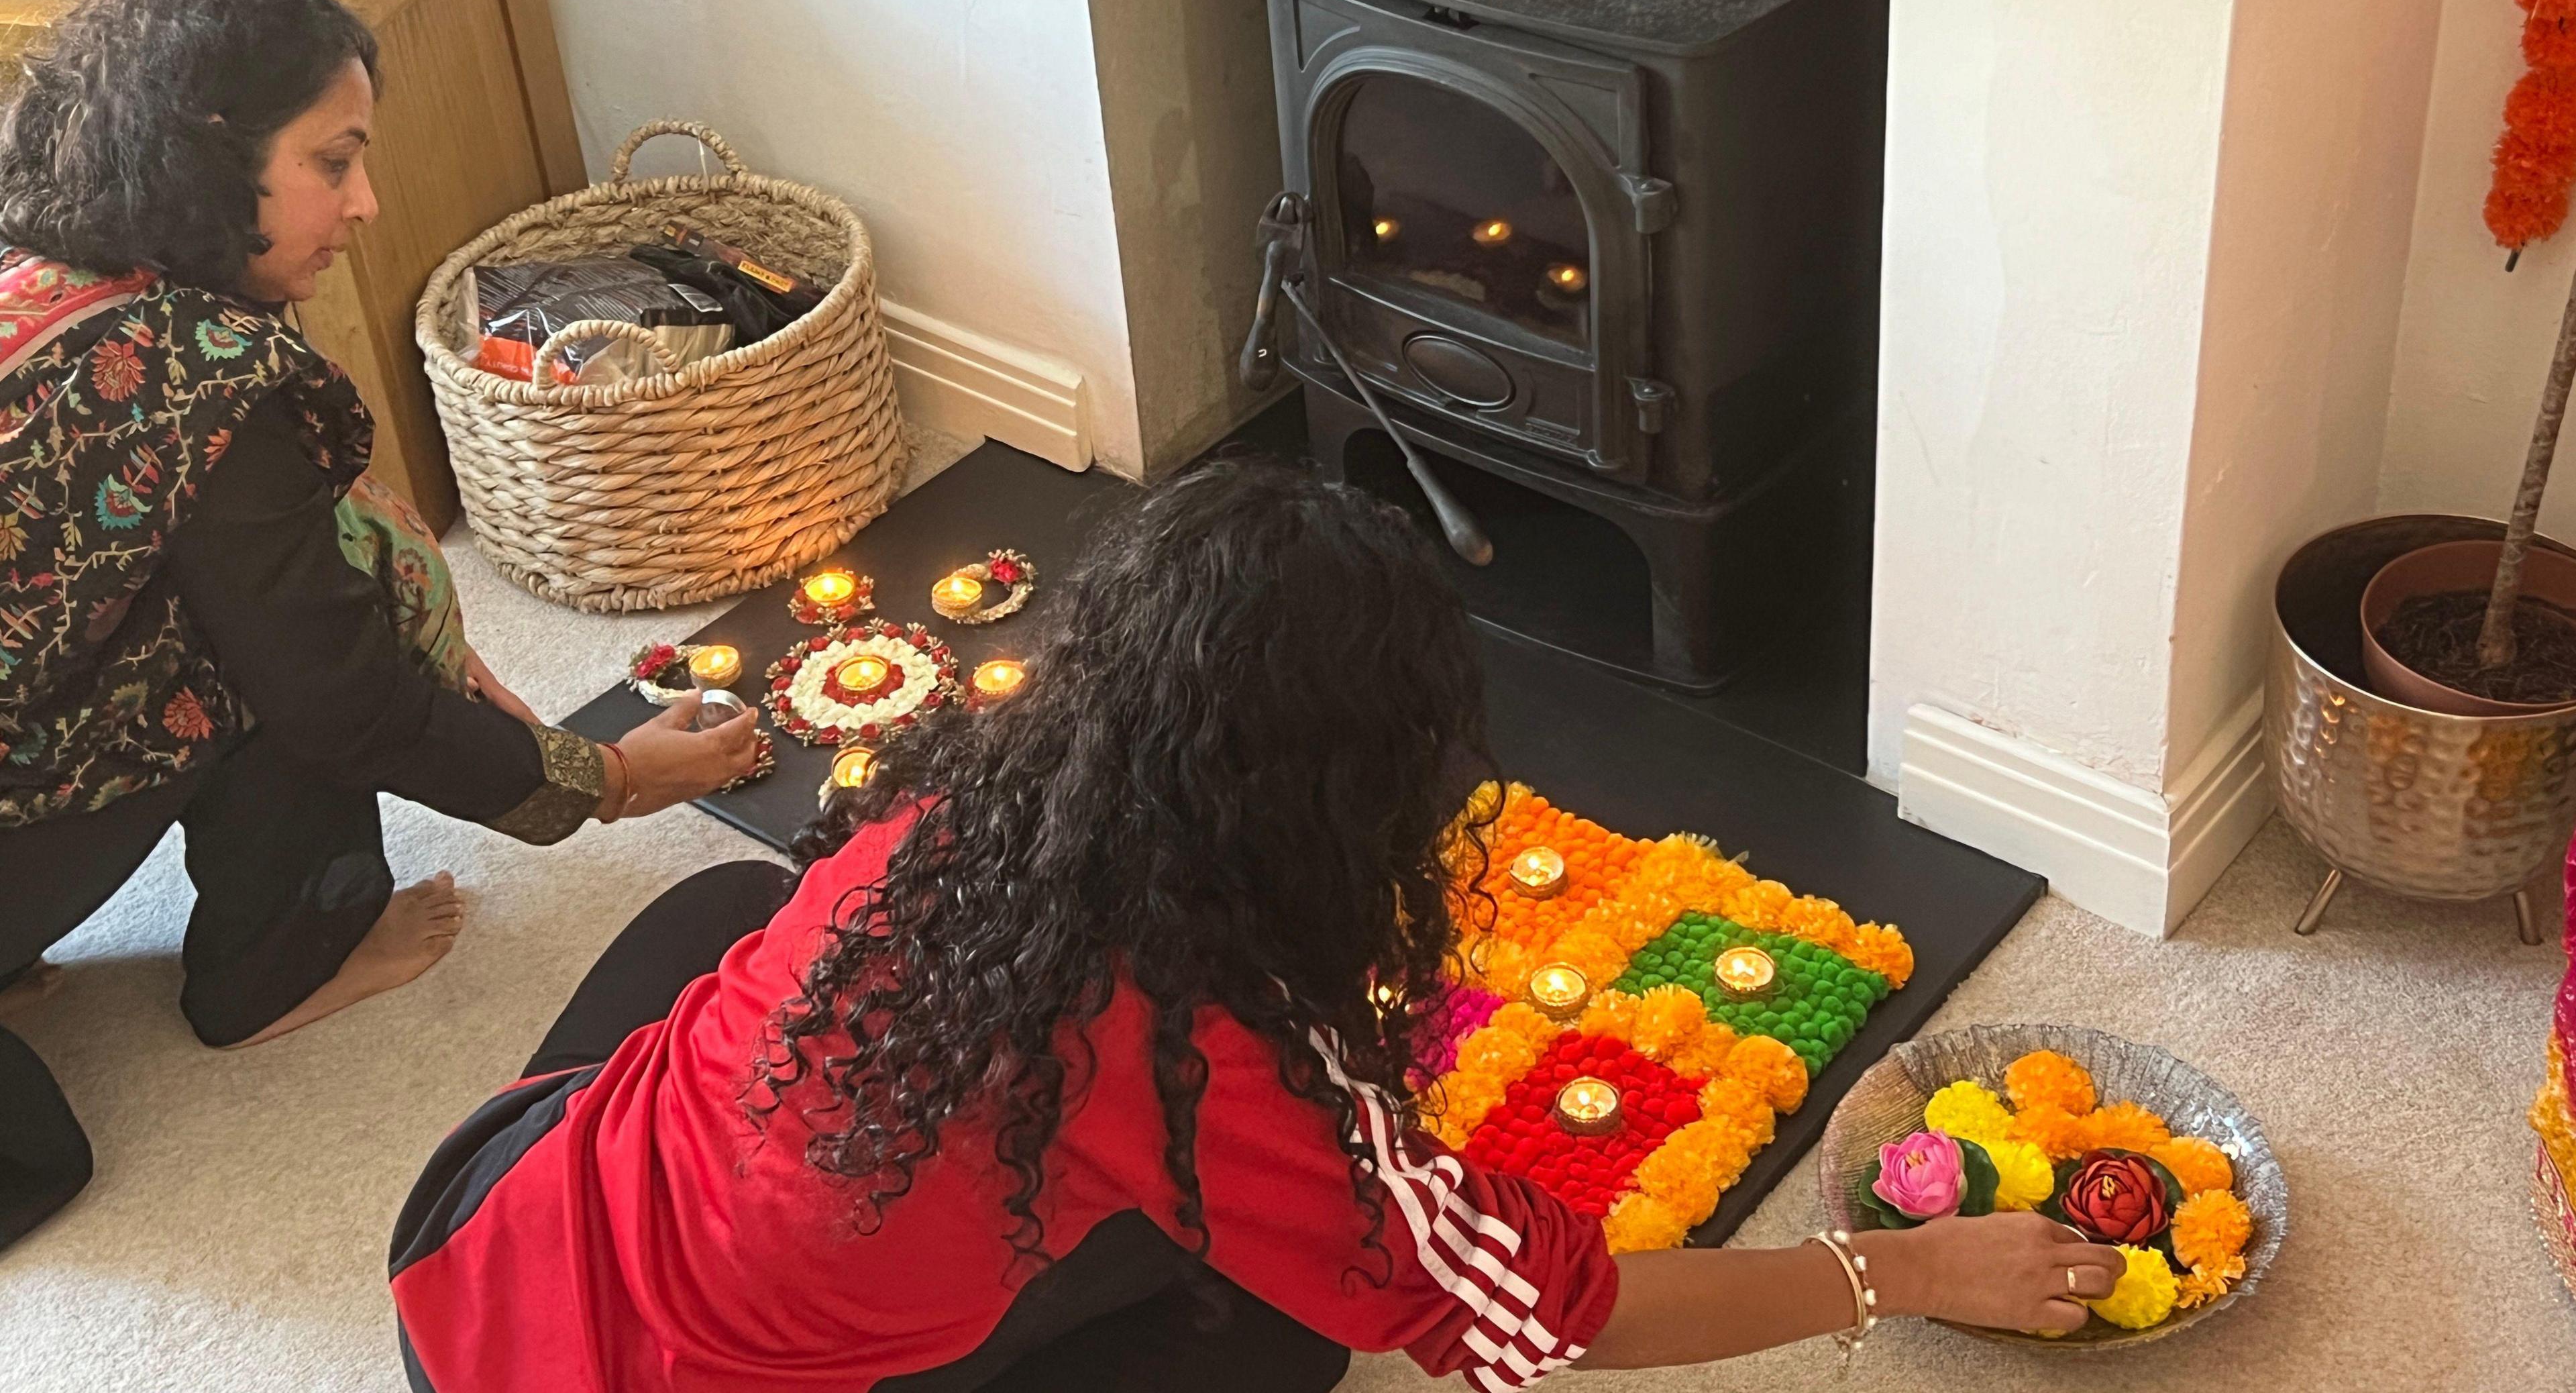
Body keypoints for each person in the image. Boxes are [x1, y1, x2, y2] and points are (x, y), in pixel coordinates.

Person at [388, 460, 2123, 1391]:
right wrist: (1899, 1271)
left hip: (476, 1237)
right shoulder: (1213, 1058)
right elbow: (1535, 1318)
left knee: (730, 905)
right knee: (1296, 1320)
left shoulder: (956, 808)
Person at [0, 0, 759, 1253]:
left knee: (288, 579)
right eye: (333, 162)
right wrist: (606, 781)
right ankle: (281, 966)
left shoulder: (39, 265)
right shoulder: (206, 377)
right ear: (206, 157)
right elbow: (350, 703)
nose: (367, 204)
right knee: (292, 639)